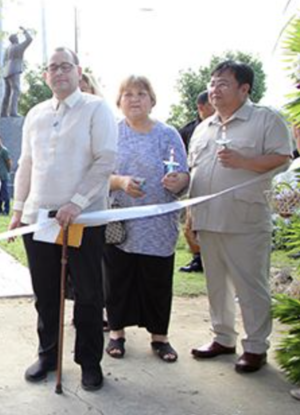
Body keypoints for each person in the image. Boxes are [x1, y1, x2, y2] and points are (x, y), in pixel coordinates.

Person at [9, 47, 116, 391]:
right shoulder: (36, 113)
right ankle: (48, 355)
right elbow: (26, 164)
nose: (59, 73)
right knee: (46, 292)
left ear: (78, 71)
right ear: (45, 76)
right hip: (40, 220)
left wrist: (77, 203)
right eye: (52, 67)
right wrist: (17, 211)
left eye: (65, 66)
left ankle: (89, 363)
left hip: (82, 220)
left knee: (88, 295)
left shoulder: (96, 108)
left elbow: (105, 160)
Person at [188, 60, 292, 374]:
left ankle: (256, 347)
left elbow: (283, 159)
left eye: (223, 83)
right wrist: (190, 213)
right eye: (212, 83)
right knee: (215, 284)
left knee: (250, 286)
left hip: (244, 220)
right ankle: (223, 338)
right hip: (207, 220)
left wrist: (245, 160)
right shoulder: (203, 127)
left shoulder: (265, 120)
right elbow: (196, 172)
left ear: (244, 89)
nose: (214, 89)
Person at [104, 76, 189, 363]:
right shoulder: (110, 134)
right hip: (120, 223)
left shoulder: (168, 134)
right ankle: (116, 333)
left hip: (158, 224)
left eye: (141, 93)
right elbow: (99, 175)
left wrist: (178, 181)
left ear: (152, 100)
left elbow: (184, 174)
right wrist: (120, 181)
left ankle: (160, 338)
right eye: (127, 94)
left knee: (157, 280)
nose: (135, 99)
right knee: (118, 279)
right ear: (119, 102)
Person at [179, 91, 215, 273]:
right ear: (202, 107)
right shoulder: (189, 130)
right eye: (212, 104)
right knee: (191, 227)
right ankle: (197, 260)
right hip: (194, 187)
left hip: (217, 189)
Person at [1, 27, 33, 117]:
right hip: (14, 70)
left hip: (6, 71)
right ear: (15, 39)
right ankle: (13, 112)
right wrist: (25, 31)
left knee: (7, 93)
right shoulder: (18, 47)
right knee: (16, 90)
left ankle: (3, 113)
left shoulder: (8, 49)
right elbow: (29, 39)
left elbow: (4, 60)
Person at [0, 135, 12, 215]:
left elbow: (9, 161)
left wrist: (7, 171)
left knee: (5, 194)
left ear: (0, 140)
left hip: (3, 176)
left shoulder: (4, 150)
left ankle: (6, 210)